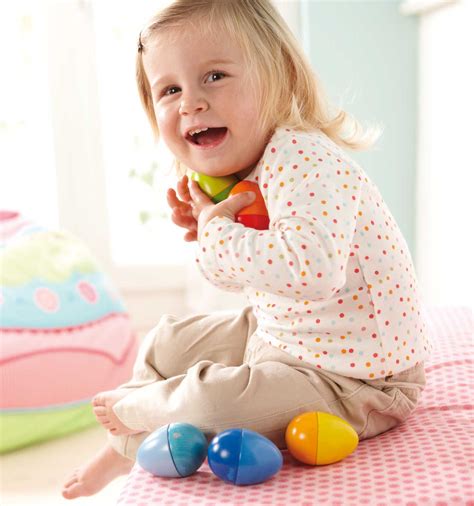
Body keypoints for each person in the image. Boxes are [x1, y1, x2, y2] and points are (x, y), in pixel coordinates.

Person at [62, 0, 431, 499]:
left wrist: (219, 236)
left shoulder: (303, 158)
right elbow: (244, 277)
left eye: (214, 76)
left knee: (213, 405)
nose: (190, 102)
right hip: (289, 333)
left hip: (359, 380)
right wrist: (208, 231)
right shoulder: (242, 170)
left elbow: (311, 271)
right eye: (170, 90)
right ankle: (128, 447)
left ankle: (141, 412)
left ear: (275, 76)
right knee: (166, 341)